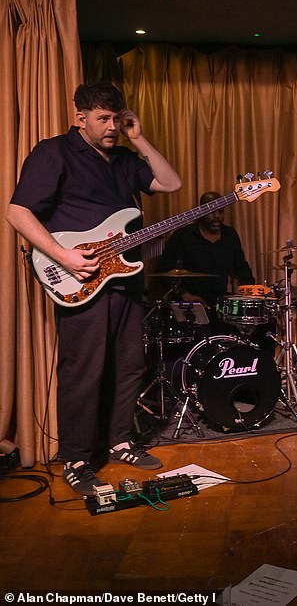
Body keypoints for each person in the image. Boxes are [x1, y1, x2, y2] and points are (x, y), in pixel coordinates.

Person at [6, 82, 182, 495]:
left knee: (129, 366)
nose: (111, 128)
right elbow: (17, 211)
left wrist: (139, 138)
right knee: (83, 371)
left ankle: (120, 441)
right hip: (79, 277)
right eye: (102, 119)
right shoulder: (53, 152)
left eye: (116, 120)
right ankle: (77, 458)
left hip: (125, 280)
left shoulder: (124, 158)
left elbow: (171, 184)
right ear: (80, 117)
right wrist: (63, 256)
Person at [155, 192, 255, 308]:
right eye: (211, 211)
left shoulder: (230, 235)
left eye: (221, 211)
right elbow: (163, 271)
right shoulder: (183, 236)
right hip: (189, 302)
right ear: (200, 212)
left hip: (220, 302)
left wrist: (251, 291)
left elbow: (241, 268)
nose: (217, 216)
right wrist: (184, 295)